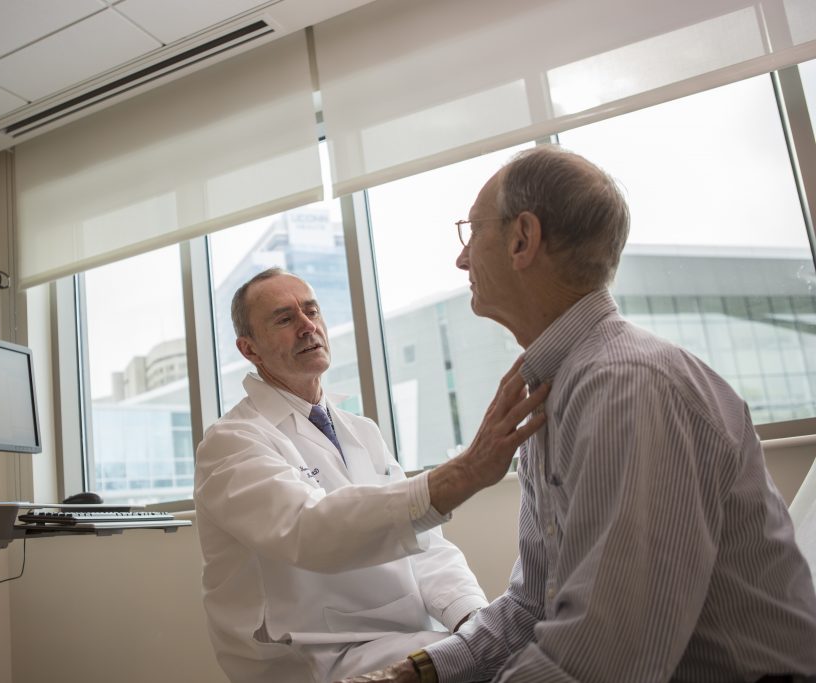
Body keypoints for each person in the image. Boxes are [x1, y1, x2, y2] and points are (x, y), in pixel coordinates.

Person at [338, 146, 816, 683]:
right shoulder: (557, 389)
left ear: (522, 238)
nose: (462, 258)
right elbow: (530, 605)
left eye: (472, 233)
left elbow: (600, 659)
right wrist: (416, 673)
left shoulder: (624, 387)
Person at [194, 267, 549, 683]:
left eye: (311, 311)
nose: (308, 326)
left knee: (515, 652)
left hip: (400, 638)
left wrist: (471, 620)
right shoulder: (232, 441)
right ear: (249, 348)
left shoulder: (361, 431)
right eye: (285, 319)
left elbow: (427, 546)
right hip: (313, 654)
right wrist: (463, 473)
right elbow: (309, 531)